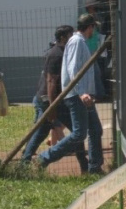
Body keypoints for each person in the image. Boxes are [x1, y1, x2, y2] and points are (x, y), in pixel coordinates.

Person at [38, 14, 105, 174]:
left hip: (83, 95)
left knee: (95, 129)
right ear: (90, 27)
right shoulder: (77, 42)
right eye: (93, 28)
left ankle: (94, 167)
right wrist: (81, 93)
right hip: (76, 96)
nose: (93, 31)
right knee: (79, 134)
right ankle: (45, 157)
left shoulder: (80, 42)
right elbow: (73, 69)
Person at [21, 25, 87, 172]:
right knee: (75, 131)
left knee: (48, 132)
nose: (73, 37)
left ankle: (84, 165)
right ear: (63, 37)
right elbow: (51, 81)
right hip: (49, 100)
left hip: (56, 100)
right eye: (70, 35)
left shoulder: (64, 51)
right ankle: (25, 163)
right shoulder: (56, 54)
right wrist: (52, 107)